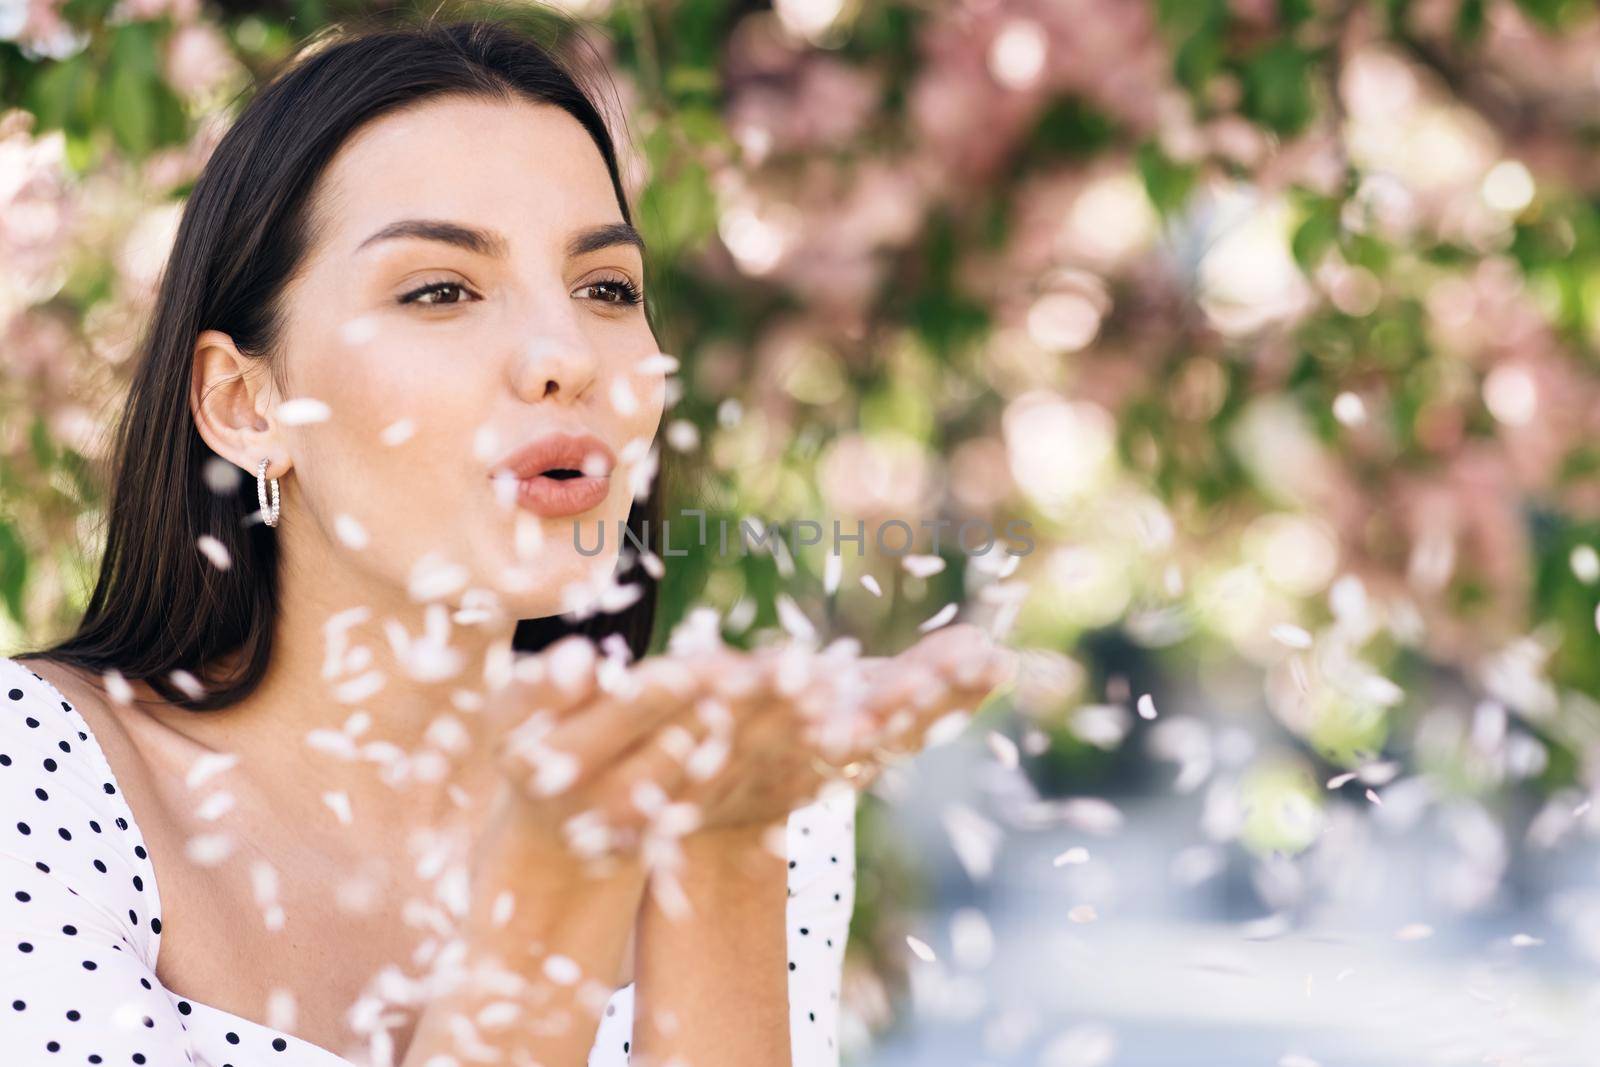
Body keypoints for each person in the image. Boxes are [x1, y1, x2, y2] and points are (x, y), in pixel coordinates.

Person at [0, 13, 1015, 1067]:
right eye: (441, 288)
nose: (564, 355)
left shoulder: (740, 804)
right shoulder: (32, 782)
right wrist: (555, 878)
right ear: (246, 403)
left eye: (607, 289)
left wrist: (723, 860)